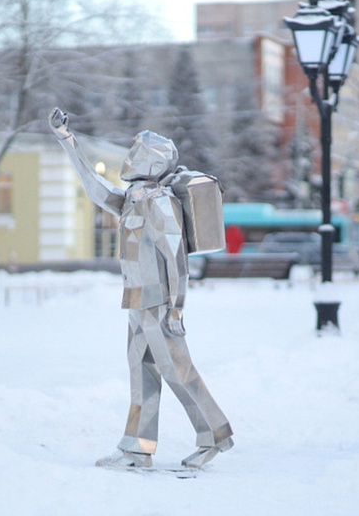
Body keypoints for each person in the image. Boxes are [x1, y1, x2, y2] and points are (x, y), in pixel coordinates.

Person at [49, 108, 233, 470]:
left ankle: (216, 435)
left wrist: (177, 308)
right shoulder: (134, 198)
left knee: (178, 371)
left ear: (152, 160)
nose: (130, 157)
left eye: (137, 151)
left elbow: (176, 260)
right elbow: (95, 188)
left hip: (159, 305)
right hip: (136, 301)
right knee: (142, 373)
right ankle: (137, 447)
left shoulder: (161, 202)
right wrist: (67, 140)